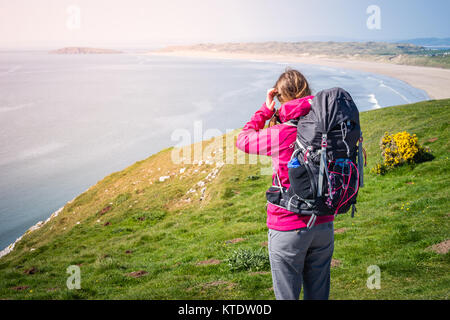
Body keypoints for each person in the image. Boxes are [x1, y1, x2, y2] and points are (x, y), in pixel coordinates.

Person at [236, 68, 335, 300]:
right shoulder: (328, 127)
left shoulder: (281, 133)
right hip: (324, 223)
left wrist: (265, 110)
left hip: (288, 224)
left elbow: (242, 140)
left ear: (281, 98)